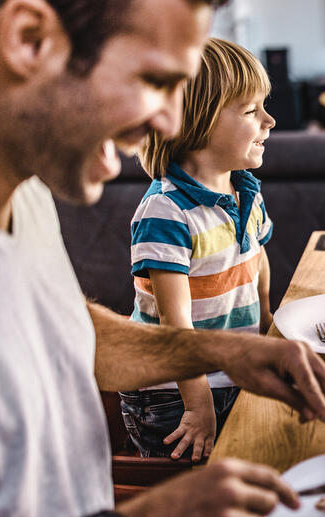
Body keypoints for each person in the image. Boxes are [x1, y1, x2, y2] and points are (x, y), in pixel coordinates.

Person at [0, 1, 325, 517]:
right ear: (29, 40)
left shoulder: (27, 191)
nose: (173, 123)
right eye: (154, 79)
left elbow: (65, 330)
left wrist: (224, 350)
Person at [120, 37, 276, 462]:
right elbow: (176, 323)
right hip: (175, 394)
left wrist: (266, 323)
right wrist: (197, 404)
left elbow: (255, 258)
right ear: (198, 121)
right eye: (250, 111)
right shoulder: (167, 211)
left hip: (230, 372)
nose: (270, 120)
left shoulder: (244, 189)